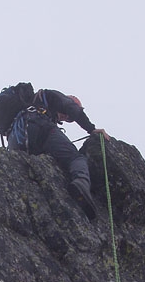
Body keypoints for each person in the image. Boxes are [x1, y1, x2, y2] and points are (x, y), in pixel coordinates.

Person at [7, 89, 110, 220]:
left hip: (16, 140)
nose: (66, 118)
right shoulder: (52, 97)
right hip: (40, 126)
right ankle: (82, 184)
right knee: (75, 157)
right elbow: (72, 109)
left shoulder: (32, 105)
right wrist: (91, 129)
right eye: (68, 117)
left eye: (69, 120)